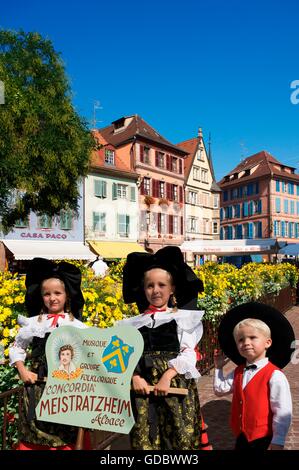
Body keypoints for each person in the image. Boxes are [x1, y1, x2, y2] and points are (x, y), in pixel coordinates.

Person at [117, 246, 204, 450]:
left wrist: (167, 376)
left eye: (161, 285)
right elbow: (121, 357)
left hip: (174, 387)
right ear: (143, 288)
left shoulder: (181, 318)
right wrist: (134, 376)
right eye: (150, 285)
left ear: (172, 288)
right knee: (145, 440)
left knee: (177, 441)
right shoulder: (133, 324)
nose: (155, 290)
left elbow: (189, 353)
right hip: (142, 392)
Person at [9, 257, 90, 450]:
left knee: (65, 436)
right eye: (46, 294)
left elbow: (90, 356)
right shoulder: (33, 324)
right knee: (35, 436)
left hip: (67, 392)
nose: (52, 298)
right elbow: (16, 348)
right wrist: (22, 370)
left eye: (57, 293)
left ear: (67, 296)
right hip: (37, 387)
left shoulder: (78, 327)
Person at [213, 302, 294, 450]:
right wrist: (218, 368)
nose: (246, 343)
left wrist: (278, 440)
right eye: (241, 339)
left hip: (264, 438)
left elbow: (282, 410)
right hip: (241, 436)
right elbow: (219, 390)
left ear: (267, 342)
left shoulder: (275, 375)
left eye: (252, 337)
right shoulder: (238, 371)